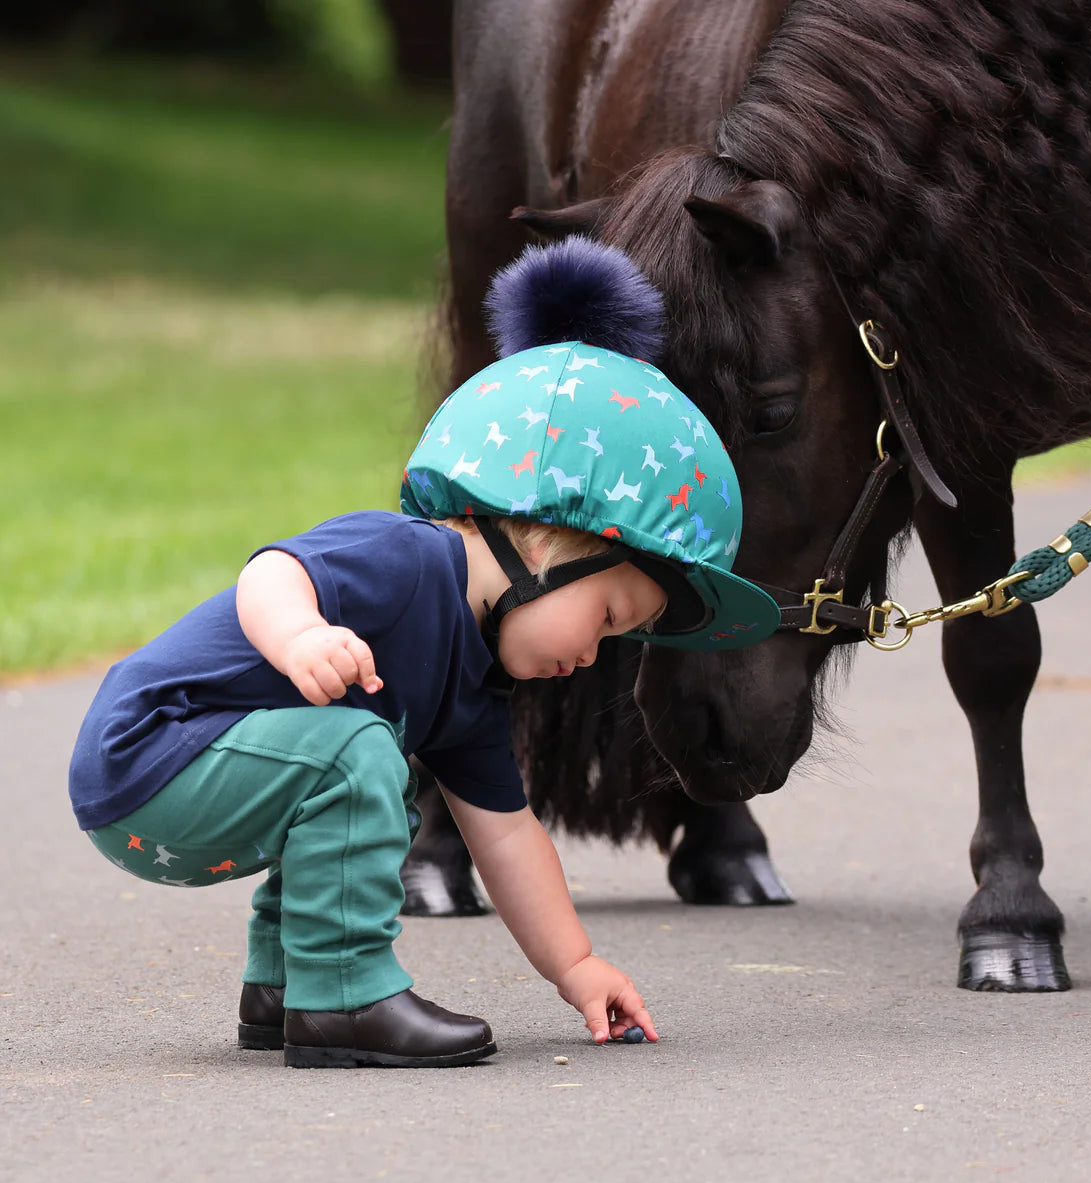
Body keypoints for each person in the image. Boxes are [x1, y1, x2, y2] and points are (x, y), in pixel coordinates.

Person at [67, 239, 782, 1069]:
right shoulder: (406, 560)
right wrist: (301, 636)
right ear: (548, 540)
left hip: (196, 792)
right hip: (149, 754)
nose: (595, 655)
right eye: (610, 615)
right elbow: (270, 572)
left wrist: (577, 967)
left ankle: (286, 987)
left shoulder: (470, 690)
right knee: (357, 756)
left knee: (362, 775)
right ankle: (343, 997)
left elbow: (508, 840)